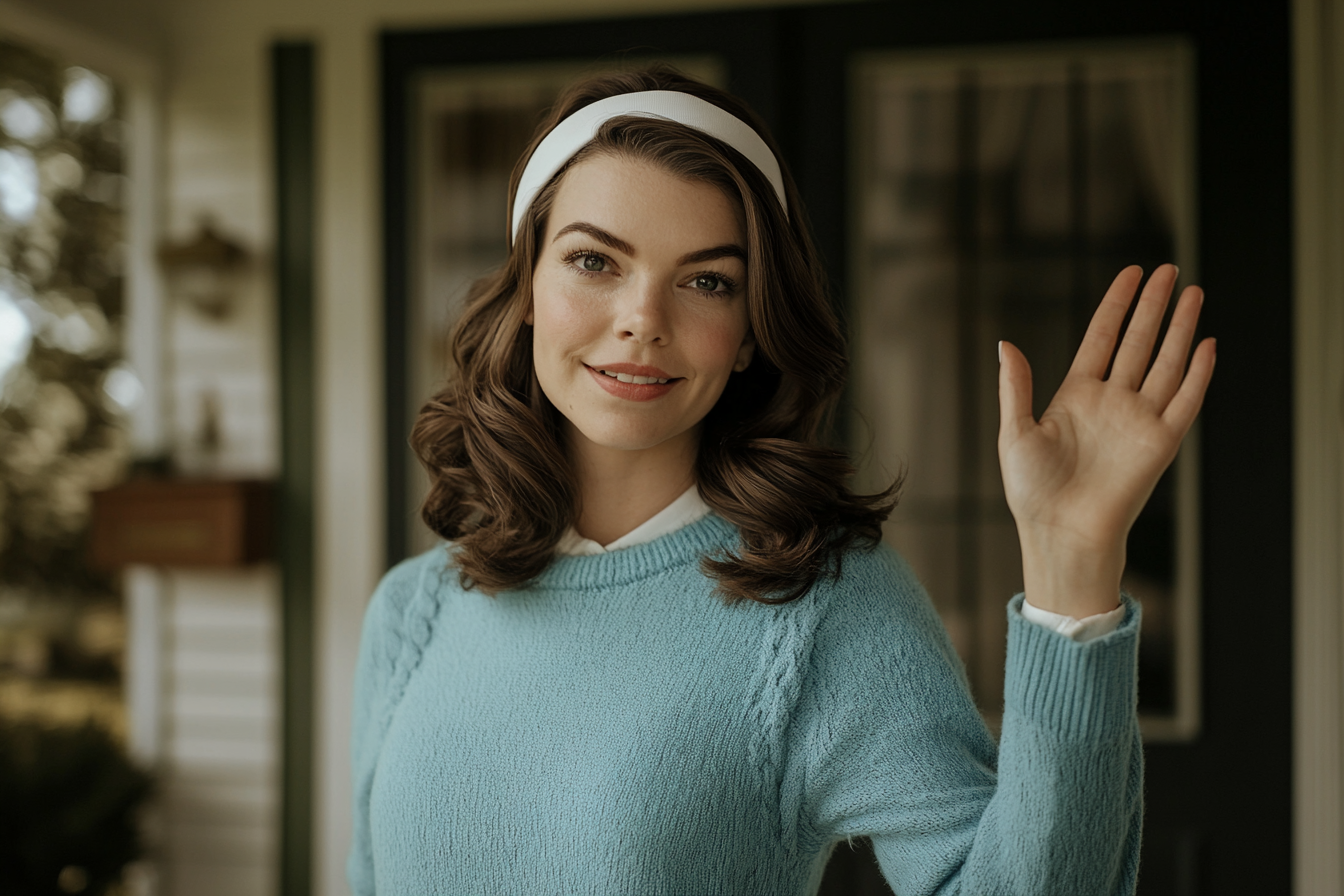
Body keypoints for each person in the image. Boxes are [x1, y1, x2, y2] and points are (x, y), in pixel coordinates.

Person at [348, 65, 1214, 895]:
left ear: (753, 330)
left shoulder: (820, 606)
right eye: (594, 261)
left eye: (707, 281)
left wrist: (1073, 565)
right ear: (529, 285)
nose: (643, 321)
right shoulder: (412, 610)